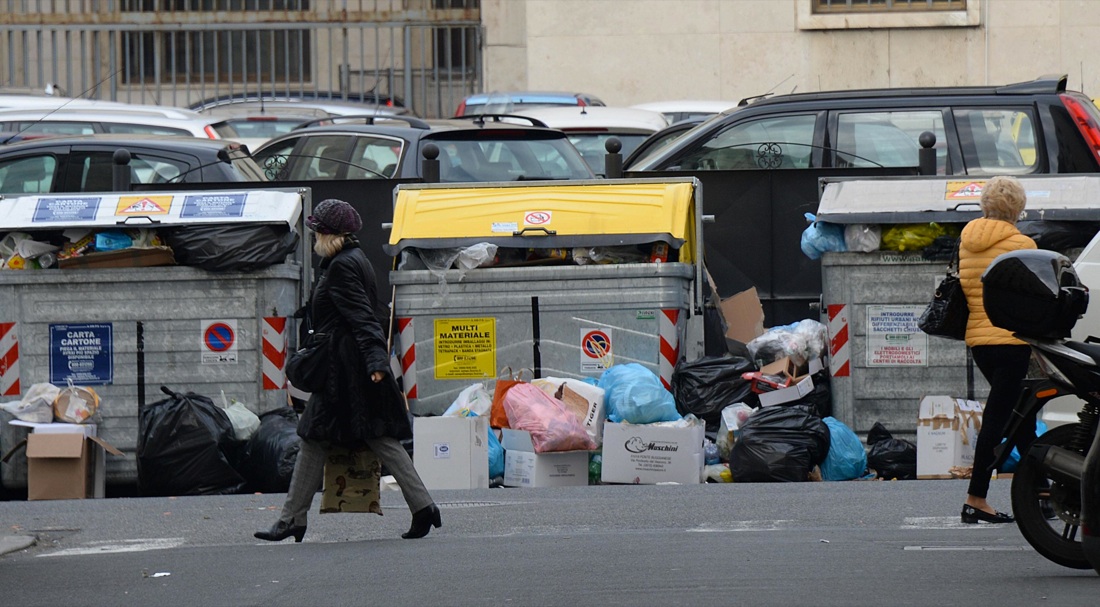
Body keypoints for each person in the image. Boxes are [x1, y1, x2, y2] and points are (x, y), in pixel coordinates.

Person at [255, 198, 441, 542]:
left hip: (347, 375)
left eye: (317, 232)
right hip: (350, 371)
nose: (313, 239)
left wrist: (375, 363)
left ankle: (291, 520)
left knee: (316, 439)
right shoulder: (353, 260)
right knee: (374, 439)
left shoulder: (342, 266)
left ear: (330, 235)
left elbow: (364, 318)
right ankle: (424, 507)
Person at [958, 175, 1037, 524]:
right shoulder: (1023, 244)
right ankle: (976, 498)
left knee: (1022, 415)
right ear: (1017, 207)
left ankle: (1042, 491)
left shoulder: (966, 241)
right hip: (1012, 342)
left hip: (979, 342)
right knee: (999, 419)